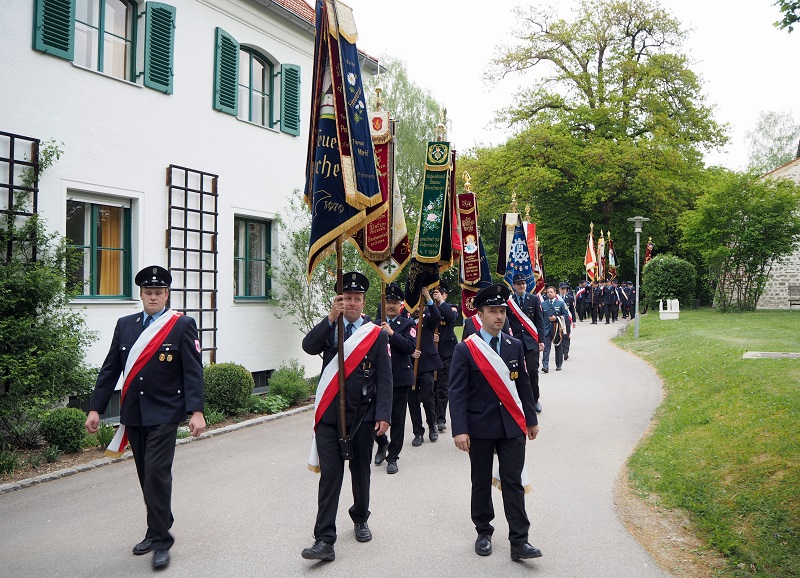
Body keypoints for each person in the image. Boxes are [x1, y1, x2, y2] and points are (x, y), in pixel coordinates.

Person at [84, 265, 206, 570]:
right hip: (134, 414)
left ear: (166, 295)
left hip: (165, 412)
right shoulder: (125, 325)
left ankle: (163, 541)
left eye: (159, 292)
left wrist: (197, 411)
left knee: (156, 473)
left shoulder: (181, 325)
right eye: (148, 292)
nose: (153, 297)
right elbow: (110, 368)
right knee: (144, 474)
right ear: (140, 294)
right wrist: (96, 407)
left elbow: (192, 371)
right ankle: (155, 528)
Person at [301, 272, 392, 562]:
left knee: (360, 472)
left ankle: (360, 517)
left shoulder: (374, 334)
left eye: (356, 299)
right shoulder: (331, 328)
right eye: (346, 298)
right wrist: (329, 318)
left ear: (363, 302)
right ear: (338, 300)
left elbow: (385, 378)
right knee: (330, 476)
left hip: (362, 416)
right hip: (330, 417)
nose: (351, 303)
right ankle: (324, 539)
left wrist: (384, 415)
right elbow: (308, 346)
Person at [449, 284, 542, 562]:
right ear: (481, 314)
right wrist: (460, 429)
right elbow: (456, 392)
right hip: (478, 427)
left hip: (511, 426)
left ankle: (520, 541)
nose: (499, 316)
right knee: (480, 481)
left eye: (502, 311)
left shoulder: (514, 345)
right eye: (493, 311)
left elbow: (524, 384)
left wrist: (531, 419)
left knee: (513, 482)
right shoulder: (466, 349)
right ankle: (483, 531)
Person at [374, 282, 416, 475]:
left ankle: (393, 458)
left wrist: (391, 333)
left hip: (399, 378)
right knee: (374, 417)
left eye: (394, 302)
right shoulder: (373, 326)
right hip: (377, 379)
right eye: (387, 302)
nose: (390, 306)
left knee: (397, 419)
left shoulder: (408, 324)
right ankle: (382, 443)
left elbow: (410, 347)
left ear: (401, 306)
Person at [408, 286, 442, 446]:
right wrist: (410, 354)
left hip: (426, 366)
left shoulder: (427, 318)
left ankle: (432, 425)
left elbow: (437, 316)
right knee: (413, 401)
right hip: (409, 367)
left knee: (428, 398)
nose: (415, 309)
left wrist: (428, 297)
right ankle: (418, 432)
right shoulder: (405, 322)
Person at [507, 273, 544, 413]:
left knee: (533, 372)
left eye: (524, 283)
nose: (522, 286)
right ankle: (518, 400)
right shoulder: (509, 302)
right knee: (515, 372)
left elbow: (539, 322)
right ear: (514, 286)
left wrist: (541, 341)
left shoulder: (534, 299)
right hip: (514, 342)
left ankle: (534, 400)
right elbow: (507, 323)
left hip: (531, 342)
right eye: (519, 284)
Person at [432, 281, 459, 432]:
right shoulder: (429, 308)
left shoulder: (450, 306)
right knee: (432, 388)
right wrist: (431, 337)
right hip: (431, 353)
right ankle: (433, 415)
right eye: (436, 292)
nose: (437, 295)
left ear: (446, 295)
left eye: (441, 293)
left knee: (443, 387)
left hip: (447, 353)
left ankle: (440, 418)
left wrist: (441, 302)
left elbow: (451, 317)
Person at [540, 285, 569, 372]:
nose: (549, 293)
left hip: (557, 329)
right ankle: (545, 366)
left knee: (558, 347)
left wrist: (556, 318)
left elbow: (566, 315)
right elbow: (540, 317)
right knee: (546, 348)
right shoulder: (543, 304)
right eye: (548, 292)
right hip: (546, 329)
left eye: (551, 292)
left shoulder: (560, 303)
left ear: (555, 293)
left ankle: (559, 364)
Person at [558, 283, 575, 361]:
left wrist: (574, 321)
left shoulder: (570, 298)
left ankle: (566, 352)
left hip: (567, 320)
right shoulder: (556, 298)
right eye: (562, 289)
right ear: (559, 289)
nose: (563, 290)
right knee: (559, 336)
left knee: (567, 336)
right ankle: (561, 351)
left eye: (565, 289)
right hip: (558, 321)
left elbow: (572, 311)